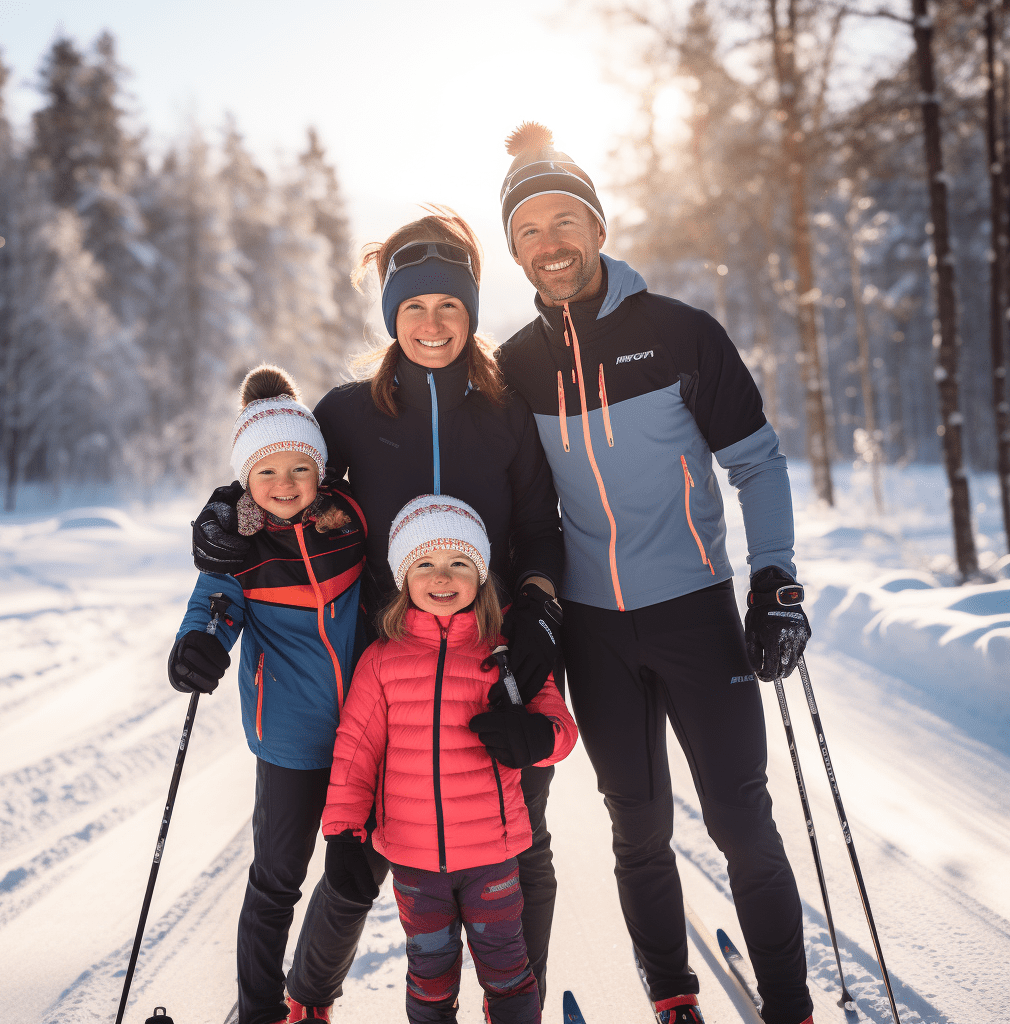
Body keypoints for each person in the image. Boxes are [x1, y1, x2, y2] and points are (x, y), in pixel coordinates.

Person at [190, 208, 566, 1018]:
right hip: (380, 662)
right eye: (414, 308)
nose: (433, 324)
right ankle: (304, 1000)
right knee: (360, 853)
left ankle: (517, 1003)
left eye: (450, 306)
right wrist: (229, 513)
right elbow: (285, 478)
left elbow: (539, 524)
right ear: (392, 317)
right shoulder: (351, 409)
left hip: (494, 653)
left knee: (519, 844)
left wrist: (537, 612)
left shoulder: (507, 410)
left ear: (471, 311)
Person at [493, 122, 816, 1024]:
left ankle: (791, 1006)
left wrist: (775, 578)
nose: (549, 243)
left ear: (597, 228)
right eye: (528, 231)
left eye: (564, 221)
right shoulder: (515, 365)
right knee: (637, 830)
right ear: (515, 252)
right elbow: (501, 494)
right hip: (595, 634)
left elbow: (756, 460)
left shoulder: (679, 334)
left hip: (697, 615)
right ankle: (672, 995)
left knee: (743, 826)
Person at [321, 495, 578, 1024]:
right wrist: (343, 835)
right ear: (402, 577)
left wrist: (533, 737)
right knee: (429, 972)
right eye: (426, 564)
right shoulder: (382, 660)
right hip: (414, 863)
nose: (443, 577)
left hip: (493, 856)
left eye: (460, 563)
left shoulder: (504, 654)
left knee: (508, 970)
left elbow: (560, 728)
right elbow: (354, 752)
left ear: (481, 576)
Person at [169, 365, 368, 1024]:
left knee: (355, 878)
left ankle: (311, 996)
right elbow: (214, 604)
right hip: (290, 740)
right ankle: (257, 1010)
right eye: (266, 473)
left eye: (299, 469)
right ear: (245, 480)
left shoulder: (351, 523)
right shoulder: (241, 547)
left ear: (321, 471)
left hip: (367, 736)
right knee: (277, 880)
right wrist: (198, 644)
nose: (285, 485)